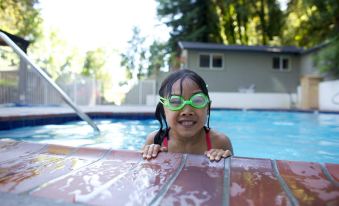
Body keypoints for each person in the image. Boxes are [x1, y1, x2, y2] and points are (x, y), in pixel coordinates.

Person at [142, 69, 233, 161]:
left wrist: (223, 158)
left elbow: (233, 174)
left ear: (207, 107)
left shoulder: (220, 142)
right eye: (176, 101)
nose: (187, 111)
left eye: (197, 101)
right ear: (164, 109)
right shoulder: (155, 141)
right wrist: (151, 156)